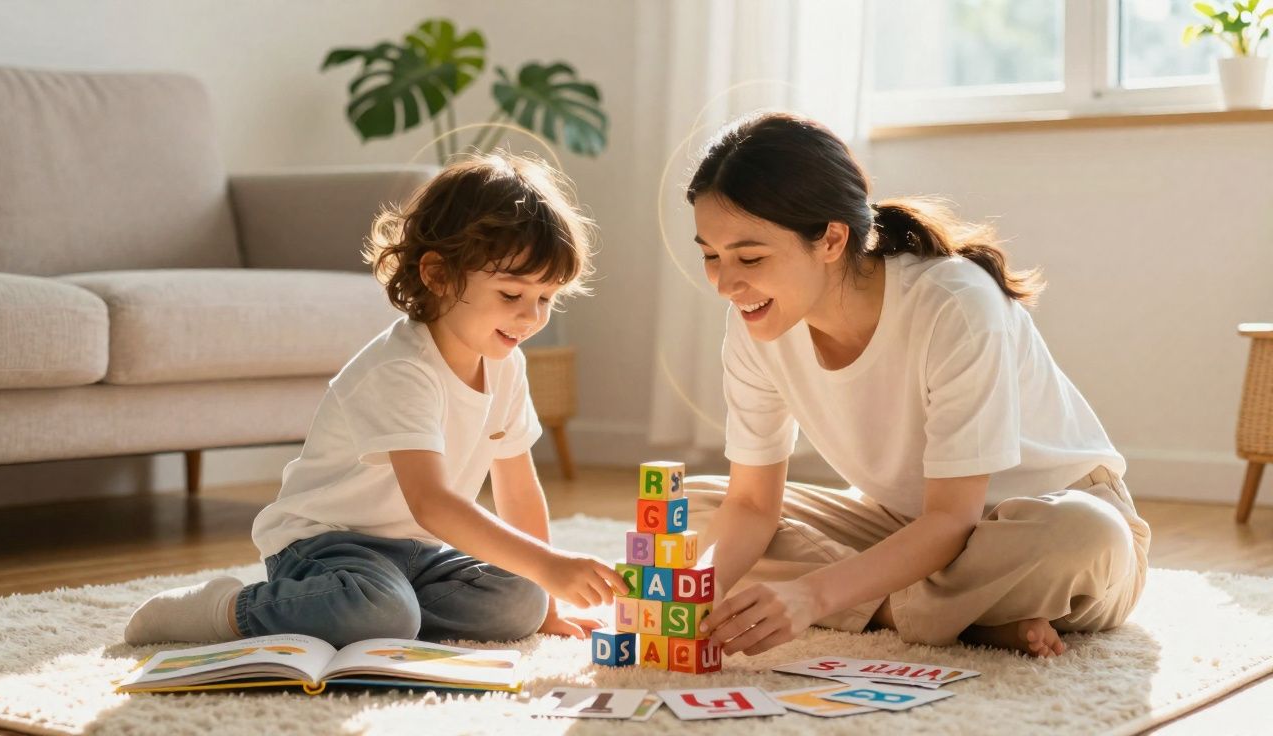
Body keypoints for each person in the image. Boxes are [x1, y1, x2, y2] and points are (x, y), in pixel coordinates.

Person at [688, 111, 1150, 658]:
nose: (725, 284)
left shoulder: (954, 304)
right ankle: (965, 620)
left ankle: (900, 611)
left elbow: (954, 518)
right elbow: (751, 504)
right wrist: (690, 595)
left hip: (1038, 526)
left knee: (1085, 535)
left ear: (832, 239)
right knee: (694, 513)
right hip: (905, 527)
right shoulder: (756, 320)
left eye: (750, 257)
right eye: (711, 256)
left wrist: (811, 596)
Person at [125, 153, 626, 648]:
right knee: (383, 609)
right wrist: (549, 566)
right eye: (512, 295)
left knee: (522, 600)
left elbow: (518, 490)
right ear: (438, 275)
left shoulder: (506, 364)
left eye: (546, 298)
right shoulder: (402, 368)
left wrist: (548, 595)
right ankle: (227, 608)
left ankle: (375, 612)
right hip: (325, 545)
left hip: (419, 555)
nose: (531, 317)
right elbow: (432, 502)